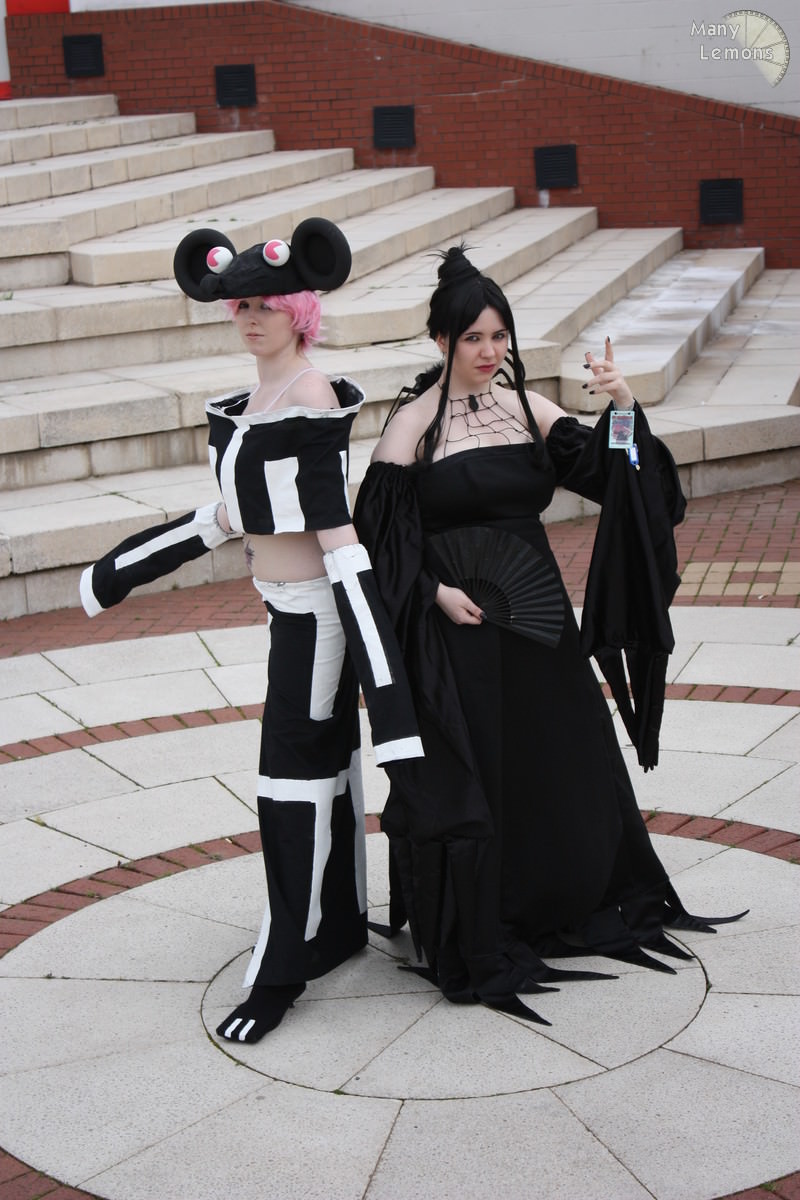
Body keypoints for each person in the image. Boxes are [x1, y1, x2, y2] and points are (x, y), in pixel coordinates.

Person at [353, 245, 744, 1023]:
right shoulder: (412, 426)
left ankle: (564, 900)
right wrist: (434, 592)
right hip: (461, 631)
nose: (488, 351)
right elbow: (379, 542)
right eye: (473, 337)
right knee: (482, 770)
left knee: (558, 757)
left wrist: (623, 406)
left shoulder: (528, 409)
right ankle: (486, 916)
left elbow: (613, 474)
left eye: (499, 336)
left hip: (537, 625)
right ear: (441, 340)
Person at [80, 218, 422, 1042]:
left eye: (268, 303)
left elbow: (336, 534)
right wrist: (121, 570)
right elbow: (230, 516)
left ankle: (282, 972)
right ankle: (333, 927)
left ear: (300, 309)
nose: (251, 316)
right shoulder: (256, 400)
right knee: (322, 769)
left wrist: (389, 694)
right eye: (240, 304)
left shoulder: (308, 397)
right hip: (286, 613)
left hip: (317, 619)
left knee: (288, 783)